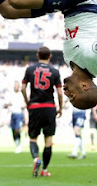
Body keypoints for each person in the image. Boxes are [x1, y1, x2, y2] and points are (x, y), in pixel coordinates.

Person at [21, 46, 63, 177]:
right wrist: (60, 108)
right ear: (50, 56)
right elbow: (60, 93)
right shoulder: (55, 71)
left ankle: (36, 159)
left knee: (33, 138)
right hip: (49, 107)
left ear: (37, 56)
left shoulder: (30, 69)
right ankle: (44, 170)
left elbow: (23, 88)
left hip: (35, 107)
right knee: (48, 140)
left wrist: (28, 102)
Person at [4, 81, 26, 153]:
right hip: (13, 114)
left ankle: (19, 145)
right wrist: (7, 105)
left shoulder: (22, 94)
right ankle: (17, 144)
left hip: (19, 114)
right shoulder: (10, 95)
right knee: (13, 130)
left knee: (17, 129)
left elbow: (26, 103)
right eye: (15, 85)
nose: (16, 87)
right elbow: (5, 104)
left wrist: (24, 106)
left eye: (17, 85)